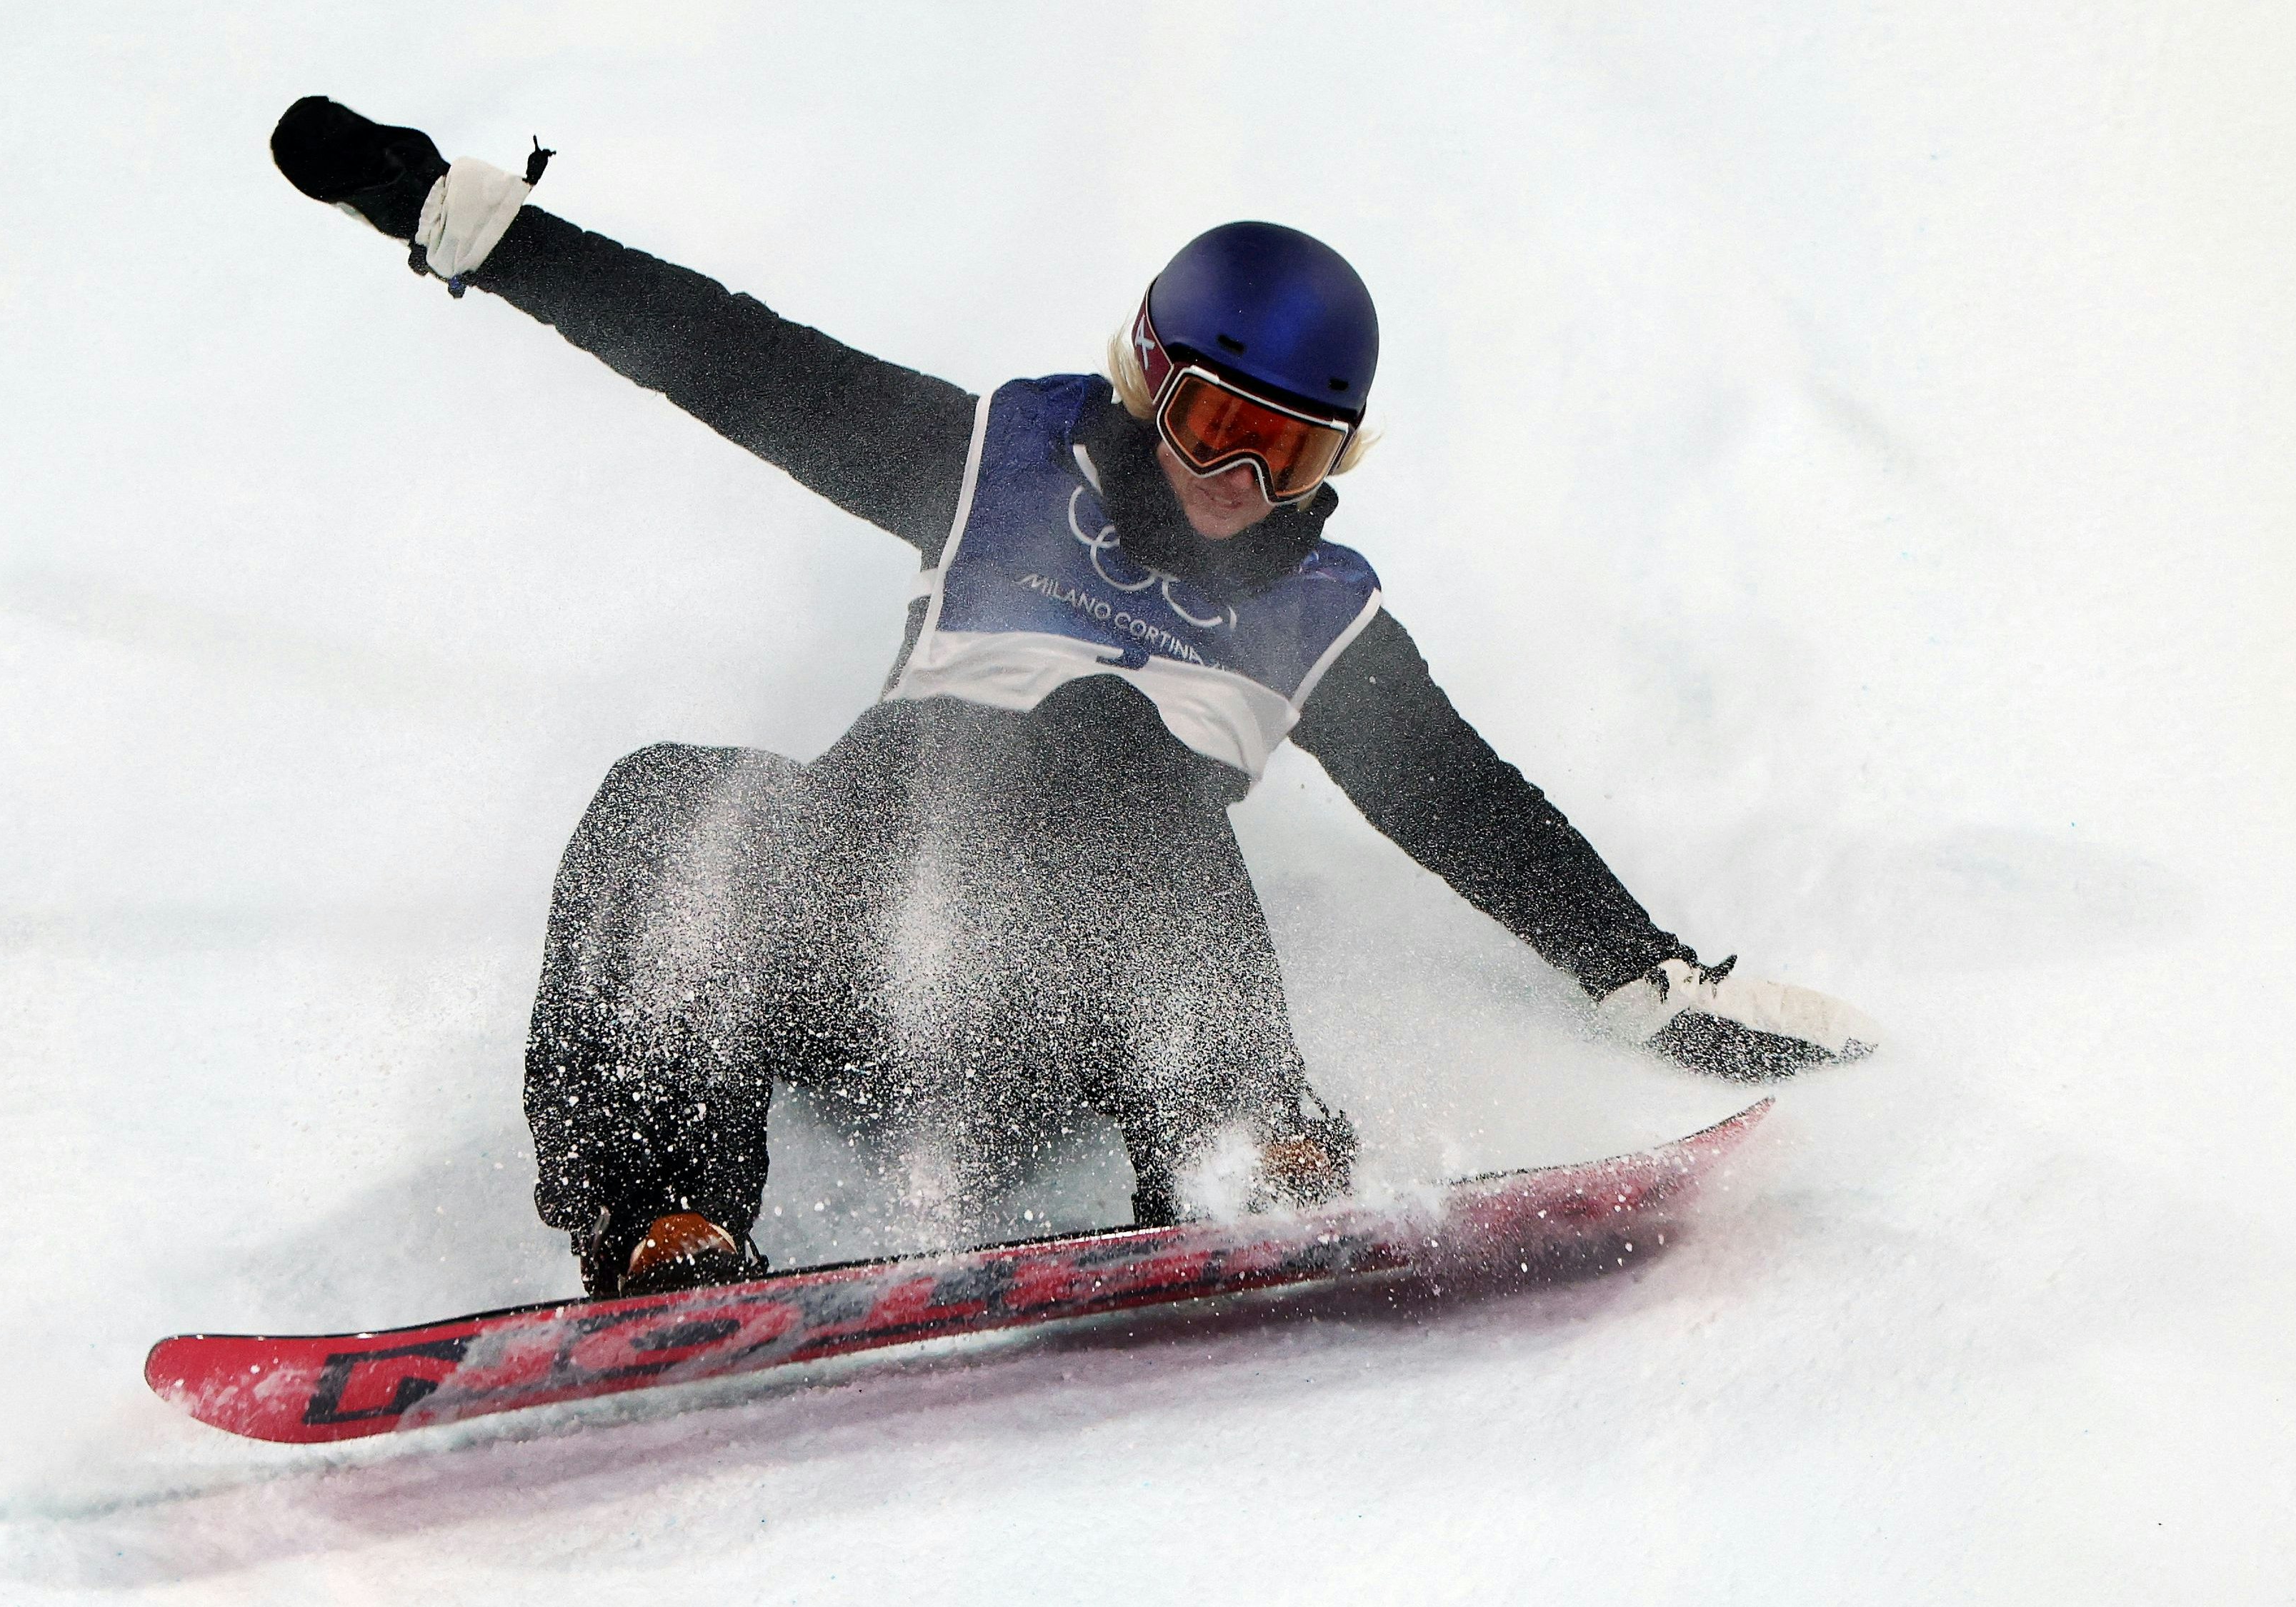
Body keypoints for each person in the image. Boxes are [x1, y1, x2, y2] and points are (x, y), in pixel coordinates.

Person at [269, 97, 1880, 1296]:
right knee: (671, 792)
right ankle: (665, 1223)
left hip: (1066, 1022)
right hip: (863, 947)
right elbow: (735, 360)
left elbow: (1461, 804)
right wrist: (471, 227)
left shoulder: (1321, 617)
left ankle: (1235, 1149)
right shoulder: (990, 465)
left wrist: (1649, 983)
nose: (1238, 481)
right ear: (1143, 383)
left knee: (1108, 739)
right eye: (1209, 425)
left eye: (1289, 452)